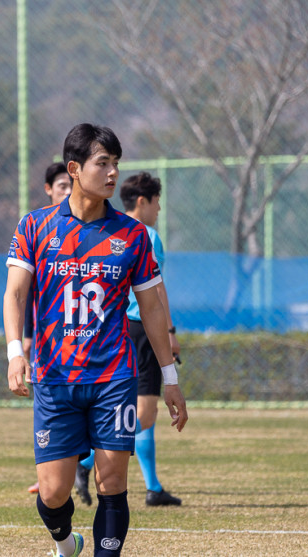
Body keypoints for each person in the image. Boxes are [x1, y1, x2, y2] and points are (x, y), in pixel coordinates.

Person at [3, 123, 188, 557]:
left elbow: (153, 309)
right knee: (53, 492)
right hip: (55, 378)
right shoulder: (35, 226)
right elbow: (15, 294)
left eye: (115, 164)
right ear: (74, 168)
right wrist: (14, 353)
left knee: (112, 483)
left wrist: (170, 378)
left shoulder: (133, 235)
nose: (112, 173)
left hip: (114, 378)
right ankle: (66, 542)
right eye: (102, 163)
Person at [119, 172, 183, 506]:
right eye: (157, 202)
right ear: (142, 201)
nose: (159, 209)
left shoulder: (112, 229)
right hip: (143, 329)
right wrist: (169, 333)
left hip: (117, 328)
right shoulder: (146, 235)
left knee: (137, 409)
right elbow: (156, 290)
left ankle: (153, 487)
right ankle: (84, 461)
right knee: (145, 413)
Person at [26, 162, 73, 495]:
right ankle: (51, 471)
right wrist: (24, 340)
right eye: (61, 186)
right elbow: (25, 291)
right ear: (48, 190)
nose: (67, 192)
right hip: (50, 350)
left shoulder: (96, 230)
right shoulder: (38, 227)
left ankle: (75, 466)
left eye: (71, 185)